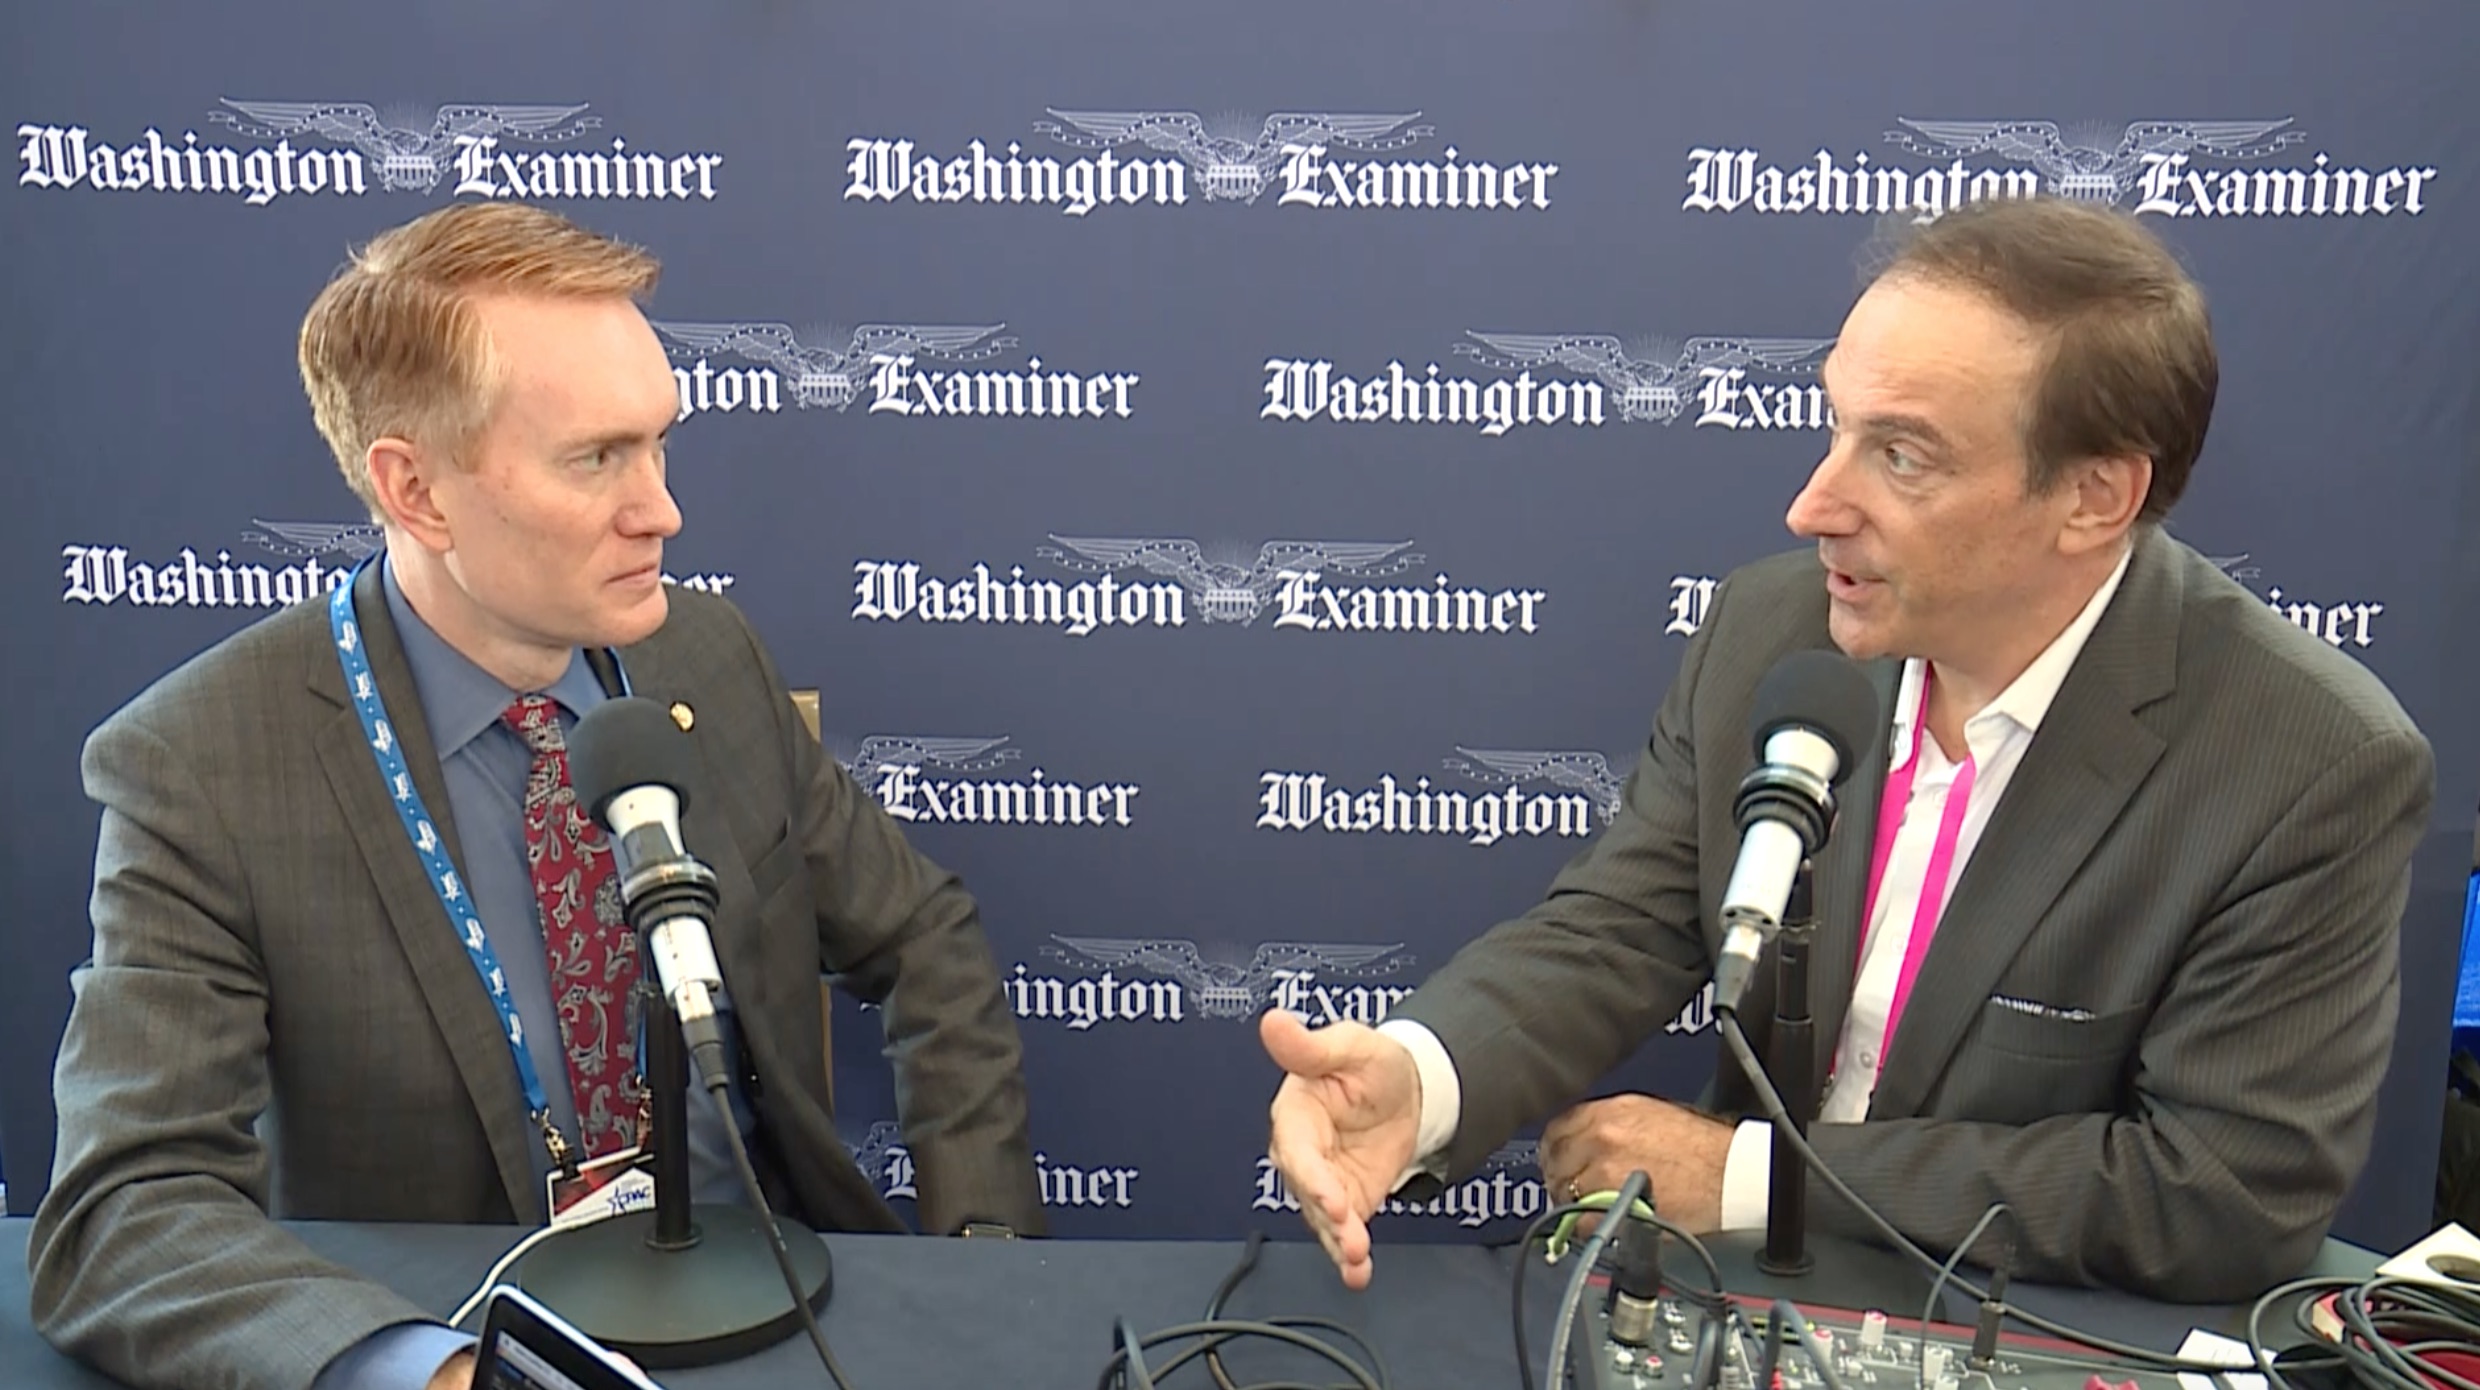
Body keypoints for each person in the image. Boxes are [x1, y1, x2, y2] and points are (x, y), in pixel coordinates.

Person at [1261, 195, 2435, 1303]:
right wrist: (1421, 1078)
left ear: (2092, 496)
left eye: (1901, 455)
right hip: (1734, 1309)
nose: (1813, 505)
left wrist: (1754, 1176)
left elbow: (2219, 1189)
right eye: (1834, 425)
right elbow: (1621, 924)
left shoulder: (2305, 763)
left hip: (2017, 1320)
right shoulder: (1769, 628)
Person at [27, 202, 1045, 1390]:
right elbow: (125, 1206)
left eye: (658, 444)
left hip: (780, 1314)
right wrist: (432, 1373)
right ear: (417, 491)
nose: (660, 509)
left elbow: (924, 937)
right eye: (596, 458)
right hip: (472, 1336)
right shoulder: (204, 766)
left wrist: (984, 1251)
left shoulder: (705, 658)